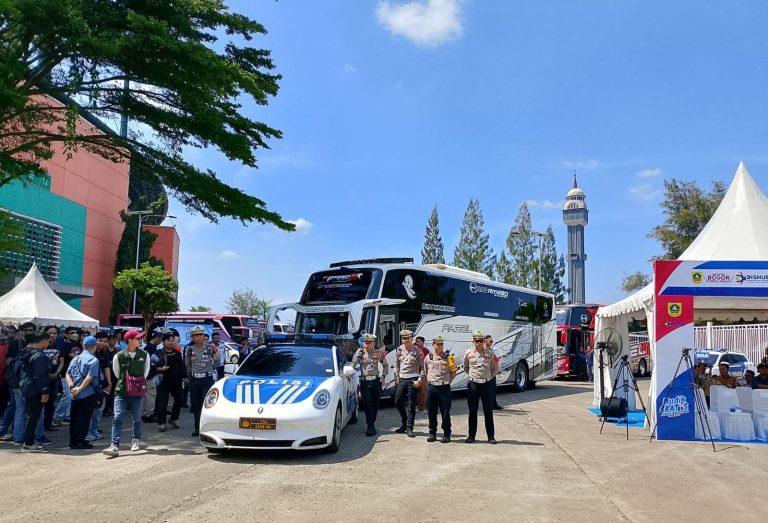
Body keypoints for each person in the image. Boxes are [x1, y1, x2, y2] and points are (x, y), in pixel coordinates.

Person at [103, 330, 150, 457]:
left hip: (138, 392)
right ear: (130, 340)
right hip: (121, 391)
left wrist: (136, 384)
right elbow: (117, 373)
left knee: (137, 418)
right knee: (117, 417)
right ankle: (114, 445)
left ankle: (135, 440)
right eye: (138, 338)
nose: (140, 340)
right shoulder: (119, 356)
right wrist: (128, 383)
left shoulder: (145, 354)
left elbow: (146, 372)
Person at [463, 330, 500, 444]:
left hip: (487, 385)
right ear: (472, 341)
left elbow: (496, 368)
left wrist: (488, 377)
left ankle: (491, 437)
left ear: (484, 341)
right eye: (476, 340)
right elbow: (466, 367)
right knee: (472, 411)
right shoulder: (468, 353)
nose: (478, 343)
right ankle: (471, 436)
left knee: (488, 411)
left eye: (480, 340)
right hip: (473, 385)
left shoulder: (490, 353)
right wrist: (475, 377)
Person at [19, 332, 52, 452]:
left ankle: (29, 441)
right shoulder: (38, 355)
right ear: (43, 341)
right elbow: (39, 376)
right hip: (34, 390)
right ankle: (28, 443)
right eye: (48, 342)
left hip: (27, 388)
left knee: (31, 416)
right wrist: (44, 392)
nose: (48, 344)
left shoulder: (25, 352)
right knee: (33, 417)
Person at [66, 335, 100, 450]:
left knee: (74, 418)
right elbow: (90, 378)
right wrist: (80, 388)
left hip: (74, 394)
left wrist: (72, 387)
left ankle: (73, 441)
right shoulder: (94, 360)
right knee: (84, 418)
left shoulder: (75, 358)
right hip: (87, 393)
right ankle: (79, 441)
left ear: (83, 346)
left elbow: (67, 374)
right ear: (95, 347)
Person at [351, 334, 389, 436]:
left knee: (376, 403)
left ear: (374, 343)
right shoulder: (360, 352)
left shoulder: (379, 353)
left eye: (369, 343)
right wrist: (349, 374)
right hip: (365, 382)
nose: (367, 345)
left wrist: (383, 376)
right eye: (365, 343)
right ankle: (370, 426)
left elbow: (385, 365)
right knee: (368, 403)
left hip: (376, 382)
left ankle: (371, 422)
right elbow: (352, 365)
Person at [184, 326, 217, 437]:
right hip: (195, 379)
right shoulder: (190, 349)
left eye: (200, 335)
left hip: (207, 379)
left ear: (204, 336)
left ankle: (208, 429)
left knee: (207, 404)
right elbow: (187, 364)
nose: (198, 338)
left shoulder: (210, 347)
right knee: (196, 405)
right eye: (195, 335)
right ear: (192, 337)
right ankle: (197, 428)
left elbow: (217, 363)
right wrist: (188, 377)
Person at [424, 335, 457, 443]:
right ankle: (432, 433)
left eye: (441, 344)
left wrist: (447, 382)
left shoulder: (449, 357)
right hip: (431, 387)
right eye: (437, 344)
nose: (439, 346)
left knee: (445, 412)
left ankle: (447, 434)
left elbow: (453, 372)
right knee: (431, 412)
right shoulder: (428, 357)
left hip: (444, 388)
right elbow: (425, 371)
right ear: (433, 344)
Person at [393, 329, 425, 437]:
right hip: (402, 379)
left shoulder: (417, 351)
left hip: (413, 380)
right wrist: (396, 376)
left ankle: (409, 427)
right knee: (397, 401)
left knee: (411, 405)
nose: (406, 340)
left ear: (412, 339)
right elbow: (396, 364)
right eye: (404, 338)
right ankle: (404, 422)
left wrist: (419, 380)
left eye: (408, 338)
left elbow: (423, 367)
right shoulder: (400, 350)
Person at [155, 333, 185, 431]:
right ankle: (162, 423)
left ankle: (173, 419)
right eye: (168, 340)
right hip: (163, 382)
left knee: (179, 400)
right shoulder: (158, 353)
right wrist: (160, 369)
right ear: (163, 342)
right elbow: (151, 366)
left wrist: (184, 376)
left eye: (172, 340)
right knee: (163, 403)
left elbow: (181, 366)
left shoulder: (177, 353)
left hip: (176, 381)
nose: (171, 342)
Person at [53, 326, 82, 425]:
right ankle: (58, 416)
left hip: (77, 375)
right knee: (68, 395)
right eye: (71, 332)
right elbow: (73, 356)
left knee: (73, 395)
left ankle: (67, 415)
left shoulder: (79, 344)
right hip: (66, 374)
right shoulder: (65, 345)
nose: (75, 334)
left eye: (76, 332)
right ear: (66, 335)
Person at [86, 332, 112, 441]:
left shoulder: (105, 353)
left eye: (105, 341)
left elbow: (106, 368)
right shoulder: (89, 353)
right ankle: (86, 432)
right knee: (89, 411)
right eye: (100, 340)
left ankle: (94, 430)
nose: (102, 343)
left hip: (102, 386)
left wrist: (109, 383)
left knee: (98, 411)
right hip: (90, 386)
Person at [141, 330, 163, 422]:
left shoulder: (147, 347)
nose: (161, 341)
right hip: (150, 375)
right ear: (157, 338)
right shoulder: (151, 349)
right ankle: (148, 414)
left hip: (146, 374)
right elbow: (151, 363)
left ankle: (145, 413)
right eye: (160, 339)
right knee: (151, 395)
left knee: (146, 395)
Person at [102, 332, 120, 417]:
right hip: (106, 374)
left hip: (115, 374)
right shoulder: (105, 350)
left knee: (114, 392)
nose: (112, 341)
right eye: (110, 339)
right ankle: (105, 409)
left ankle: (110, 409)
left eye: (114, 339)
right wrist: (110, 362)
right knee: (106, 392)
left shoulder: (117, 351)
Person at [484, 335, 503, 410]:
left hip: (492, 372)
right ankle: (490, 405)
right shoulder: (484, 350)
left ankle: (494, 404)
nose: (492, 342)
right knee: (488, 390)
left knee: (493, 389)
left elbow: (494, 360)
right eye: (490, 341)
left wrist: (497, 369)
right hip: (487, 373)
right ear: (486, 341)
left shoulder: (490, 349)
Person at [414, 336, 429, 412]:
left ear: (423, 342)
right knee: (416, 391)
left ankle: (423, 407)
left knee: (422, 391)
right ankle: (418, 406)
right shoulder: (414, 350)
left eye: (419, 341)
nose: (417, 343)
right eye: (416, 341)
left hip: (423, 374)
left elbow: (427, 363)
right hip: (415, 373)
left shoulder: (426, 351)